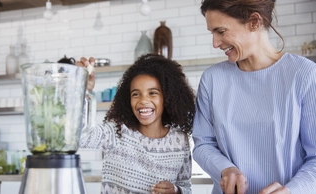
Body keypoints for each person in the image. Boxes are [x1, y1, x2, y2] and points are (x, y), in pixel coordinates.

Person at [192, 0, 316, 194]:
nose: (215, 43)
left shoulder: (304, 75)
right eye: (212, 33)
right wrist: (225, 169)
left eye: (221, 31)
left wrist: (291, 190)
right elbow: (203, 144)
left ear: (254, 22)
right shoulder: (212, 79)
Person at [76, 54, 195, 194]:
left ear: (168, 98)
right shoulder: (116, 132)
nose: (143, 100)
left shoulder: (180, 140)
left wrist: (176, 190)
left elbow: (185, 186)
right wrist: (81, 90)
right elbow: (78, 137)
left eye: (153, 93)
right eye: (136, 94)